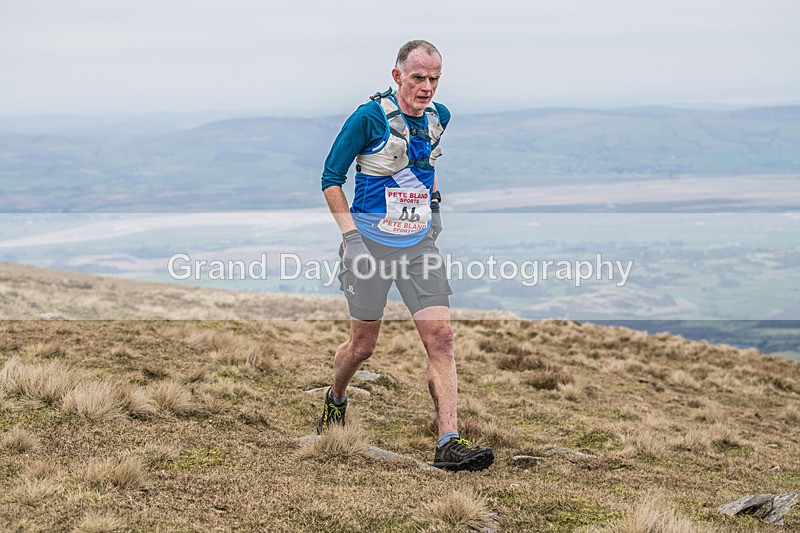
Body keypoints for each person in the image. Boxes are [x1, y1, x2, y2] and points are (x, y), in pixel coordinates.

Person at [317, 40, 493, 471]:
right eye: (418, 77)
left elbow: (423, 169)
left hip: (418, 248)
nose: (427, 87)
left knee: (442, 339)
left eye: (434, 78)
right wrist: (352, 237)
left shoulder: (439, 118)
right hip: (369, 248)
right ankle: (335, 398)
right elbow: (330, 179)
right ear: (397, 76)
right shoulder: (367, 119)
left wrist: (431, 210)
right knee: (362, 348)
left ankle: (448, 441)